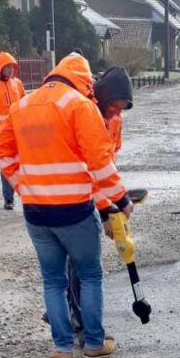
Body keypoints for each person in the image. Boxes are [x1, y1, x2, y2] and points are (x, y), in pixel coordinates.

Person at [0, 52, 132, 358]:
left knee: (53, 279)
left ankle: (62, 348)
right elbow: (100, 162)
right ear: (84, 80)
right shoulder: (80, 106)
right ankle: (94, 344)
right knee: (90, 274)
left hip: (37, 212)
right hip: (75, 211)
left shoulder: (22, 105)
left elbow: (0, 150)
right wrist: (120, 201)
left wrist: (22, 185)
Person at [54, 65, 134, 343]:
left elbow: (108, 163)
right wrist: (109, 206)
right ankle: (80, 322)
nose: (117, 113)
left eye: (122, 108)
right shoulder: (82, 112)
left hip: (96, 192)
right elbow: (88, 167)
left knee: (80, 264)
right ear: (102, 97)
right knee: (82, 266)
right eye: (114, 106)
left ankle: (68, 310)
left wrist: (113, 198)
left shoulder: (114, 122)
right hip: (77, 197)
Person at [0, 51, 26, 211]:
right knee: (6, 165)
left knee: (23, 162)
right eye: (7, 67)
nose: (10, 70)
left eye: (12, 67)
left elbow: (24, 103)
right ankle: (8, 199)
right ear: (0, 67)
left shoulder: (17, 83)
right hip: (0, 131)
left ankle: (26, 194)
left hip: (19, 130)